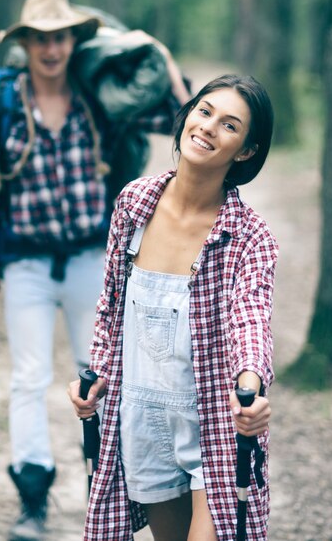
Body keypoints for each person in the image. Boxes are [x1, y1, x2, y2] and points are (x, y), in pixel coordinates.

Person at [0, 0, 190, 541]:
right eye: (39, 38)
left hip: (93, 259)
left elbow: (176, 116)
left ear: (74, 41)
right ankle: (32, 500)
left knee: (100, 375)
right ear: (26, 44)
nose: (50, 48)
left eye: (59, 37)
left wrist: (160, 57)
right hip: (26, 264)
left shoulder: (96, 96)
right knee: (28, 379)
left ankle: (102, 493)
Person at [69, 74, 278, 541]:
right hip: (141, 415)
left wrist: (252, 387)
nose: (208, 128)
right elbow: (111, 306)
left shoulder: (250, 236)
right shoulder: (134, 203)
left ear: (245, 150)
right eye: (204, 112)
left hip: (216, 422)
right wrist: (97, 373)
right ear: (186, 117)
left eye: (230, 125)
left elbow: (252, 318)